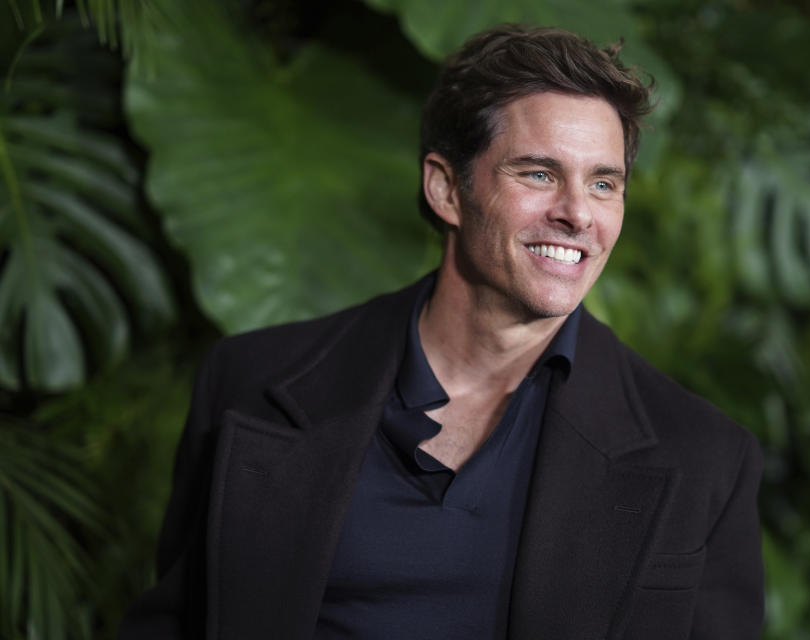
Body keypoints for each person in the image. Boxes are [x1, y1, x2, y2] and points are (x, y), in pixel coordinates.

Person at [120, 24, 763, 640]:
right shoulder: (251, 382)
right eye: (538, 174)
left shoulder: (703, 457)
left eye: (603, 183)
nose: (576, 214)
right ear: (446, 190)